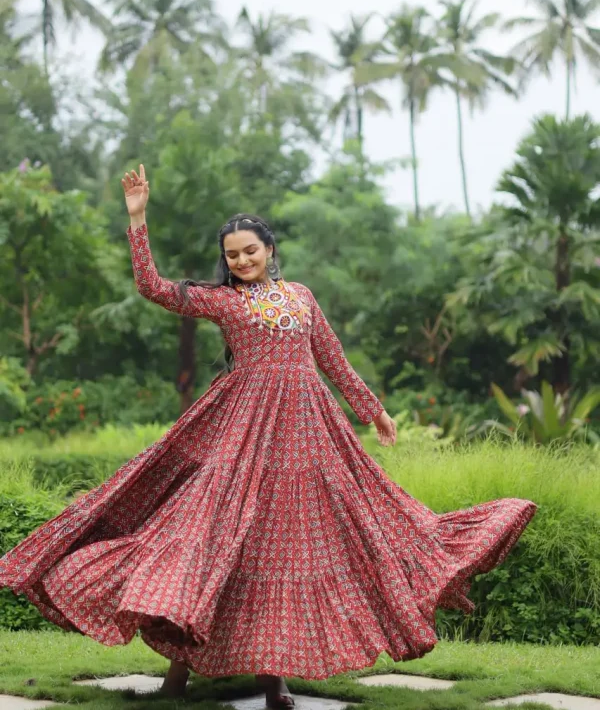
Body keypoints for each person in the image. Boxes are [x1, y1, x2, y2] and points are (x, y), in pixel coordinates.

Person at [0, 165, 537, 709]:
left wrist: (373, 410)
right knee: (210, 540)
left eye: (249, 250)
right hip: (242, 433)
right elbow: (152, 288)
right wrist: (137, 218)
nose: (241, 261)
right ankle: (177, 676)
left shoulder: (301, 296)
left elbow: (331, 357)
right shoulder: (224, 301)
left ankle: (273, 680)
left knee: (288, 548)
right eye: (232, 254)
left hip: (308, 434)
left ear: (269, 248)